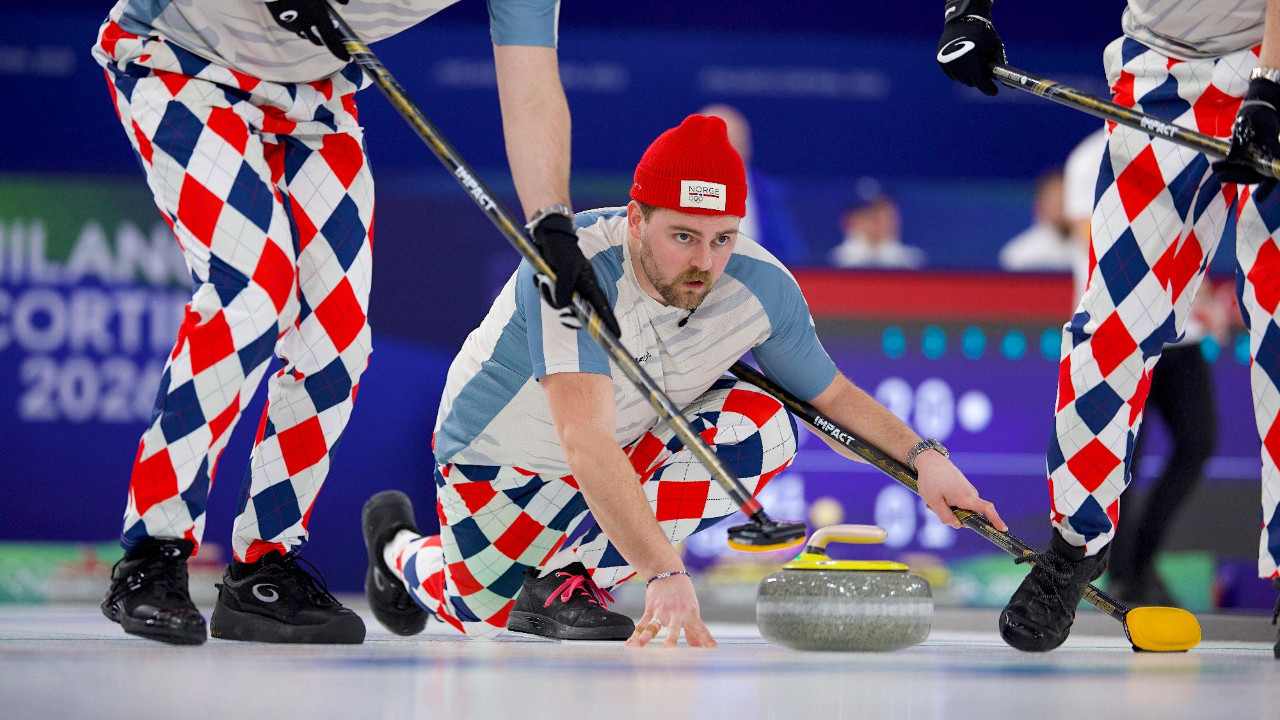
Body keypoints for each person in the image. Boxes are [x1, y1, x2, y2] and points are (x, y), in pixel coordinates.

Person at [359, 115, 1007, 647]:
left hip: (627, 444)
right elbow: (583, 441)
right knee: (476, 611)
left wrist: (926, 460)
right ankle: (397, 546)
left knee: (767, 425)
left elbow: (829, 400)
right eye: (683, 236)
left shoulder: (760, 285)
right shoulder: (573, 268)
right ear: (636, 217)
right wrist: (664, 574)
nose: (704, 262)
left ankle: (568, 579)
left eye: (722, 238)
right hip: (502, 463)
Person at [95, 0, 619, 646]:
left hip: (313, 94)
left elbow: (532, 84)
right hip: (181, 56)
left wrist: (552, 226)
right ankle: (153, 554)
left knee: (336, 337)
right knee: (250, 296)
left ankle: (263, 569)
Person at [938, 0, 1280, 653]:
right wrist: (969, 8)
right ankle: (1075, 547)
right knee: (1111, 329)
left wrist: (1270, 85)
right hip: (1163, 64)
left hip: (1275, 61)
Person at [1063, 129, 1225, 607]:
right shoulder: (1090, 154)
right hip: (1118, 330)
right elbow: (1092, 239)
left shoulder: (1188, 142)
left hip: (1180, 333)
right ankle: (1127, 576)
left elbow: (1197, 228)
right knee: (1123, 459)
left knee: (1198, 440)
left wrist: (1204, 296)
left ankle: (1140, 560)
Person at [698, 104, 808, 265]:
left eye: (736, 139)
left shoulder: (771, 192)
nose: (729, 148)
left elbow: (793, 254)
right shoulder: (672, 190)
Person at [829, 178, 924, 269]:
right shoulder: (835, 262)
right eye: (871, 214)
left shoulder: (911, 262)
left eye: (885, 213)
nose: (880, 221)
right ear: (850, 220)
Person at [998, 168, 1075, 272]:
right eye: (1054, 199)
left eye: (1065, 198)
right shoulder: (1019, 255)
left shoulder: (1090, 250)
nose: (1061, 205)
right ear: (1039, 204)